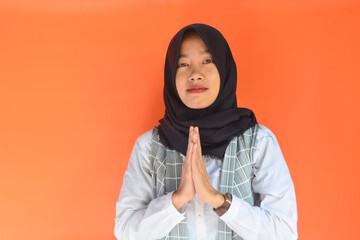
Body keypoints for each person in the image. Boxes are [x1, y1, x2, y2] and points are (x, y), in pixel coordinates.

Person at [114, 23, 298, 240]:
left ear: (224, 70)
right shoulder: (149, 148)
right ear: (171, 75)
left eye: (208, 61)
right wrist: (178, 199)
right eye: (182, 64)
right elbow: (125, 230)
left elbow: (284, 232)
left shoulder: (258, 143)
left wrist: (218, 200)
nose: (195, 74)